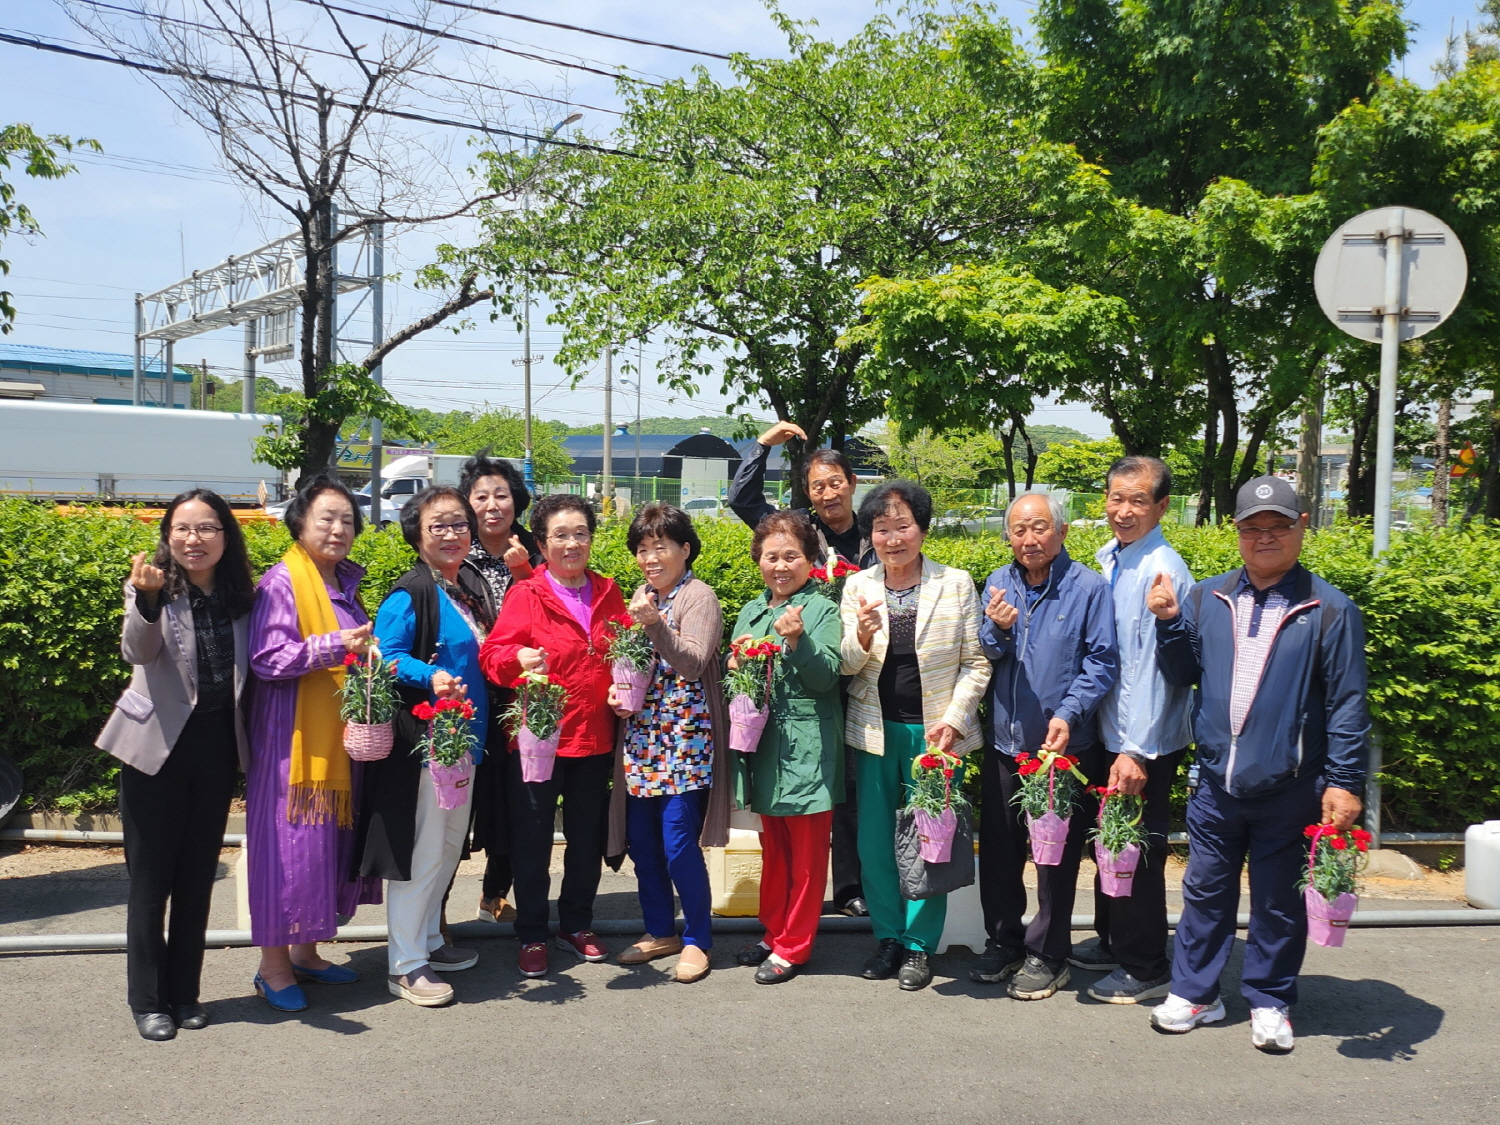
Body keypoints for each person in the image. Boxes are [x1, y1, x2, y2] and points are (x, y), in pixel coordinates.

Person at [1148, 475, 1369, 1053]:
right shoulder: (1209, 597)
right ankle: (1196, 993)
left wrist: (1345, 782)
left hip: (1291, 784)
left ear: (1301, 527)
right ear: (1237, 534)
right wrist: (1169, 622)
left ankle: (1270, 1000)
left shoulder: (1329, 607)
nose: (1264, 538)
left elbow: (1348, 703)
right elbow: (1182, 674)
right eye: (1252, 529)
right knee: (1204, 891)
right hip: (1216, 781)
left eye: (1277, 527)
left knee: (1277, 897)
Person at [97, 490, 256, 1041]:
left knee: (196, 880)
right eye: (183, 529)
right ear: (168, 535)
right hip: (154, 752)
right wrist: (145, 601)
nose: (194, 539)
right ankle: (148, 1002)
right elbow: (136, 652)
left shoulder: (243, 596)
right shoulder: (153, 588)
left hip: (216, 750)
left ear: (225, 536)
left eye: (207, 528)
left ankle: (185, 994)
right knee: (150, 881)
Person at [840, 481, 990, 991]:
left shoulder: (956, 583)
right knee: (876, 842)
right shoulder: (858, 586)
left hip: (935, 738)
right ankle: (887, 937)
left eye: (903, 525)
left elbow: (976, 661)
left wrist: (954, 718)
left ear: (921, 529)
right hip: (875, 731)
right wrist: (860, 636)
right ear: (871, 536)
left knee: (932, 841)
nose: (893, 537)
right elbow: (848, 663)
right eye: (882, 528)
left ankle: (919, 945)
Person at [245, 476, 383, 1013]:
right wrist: (332, 647)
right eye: (326, 517)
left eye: (347, 519)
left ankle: (306, 953)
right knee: (289, 854)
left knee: (323, 852)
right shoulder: (281, 583)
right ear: (299, 522)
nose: (338, 528)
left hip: (337, 743)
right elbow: (267, 659)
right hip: (290, 747)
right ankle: (272, 967)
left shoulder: (346, 583)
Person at [973, 491, 1118, 1000]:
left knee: (1054, 856)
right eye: (1018, 530)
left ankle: (1049, 954)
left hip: (1063, 750)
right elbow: (985, 651)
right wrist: (998, 628)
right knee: (1000, 850)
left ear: (1062, 531)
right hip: (1005, 742)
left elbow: (1102, 661)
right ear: (1008, 536)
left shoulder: (1089, 589)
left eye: (1039, 528)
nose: (1029, 539)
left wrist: (1069, 711)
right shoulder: (998, 582)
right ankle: (1005, 940)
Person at [728, 419, 873, 919]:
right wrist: (763, 446)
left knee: (851, 786)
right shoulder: (800, 536)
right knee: (807, 793)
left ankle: (850, 886)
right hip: (804, 675)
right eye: (817, 485)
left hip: (861, 672)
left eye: (836, 482)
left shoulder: (874, 538)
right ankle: (785, 915)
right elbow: (744, 503)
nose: (828, 492)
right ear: (807, 493)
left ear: (852, 484)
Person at [355, 486, 492, 1007]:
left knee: (450, 847)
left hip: (464, 741)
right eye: (439, 525)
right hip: (427, 743)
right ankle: (405, 964)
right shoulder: (410, 592)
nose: (453, 534)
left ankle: (430, 942)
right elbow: (383, 657)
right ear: (417, 534)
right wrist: (430, 674)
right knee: (425, 848)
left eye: (460, 524)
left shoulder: (466, 587)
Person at [479, 493, 626, 979]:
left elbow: (626, 653)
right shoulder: (527, 593)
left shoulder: (609, 591)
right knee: (533, 839)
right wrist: (516, 661)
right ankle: (533, 932)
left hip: (596, 737)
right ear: (541, 543)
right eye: (560, 535)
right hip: (539, 738)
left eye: (580, 533)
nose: (571, 543)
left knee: (586, 838)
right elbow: (493, 657)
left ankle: (577, 924)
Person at [1069, 456, 1195, 1004]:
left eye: (1138, 500)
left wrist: (1136, 752)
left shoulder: (1160, 568)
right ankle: (1114, 937)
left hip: (1139, 739)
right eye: (1115, 497)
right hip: (1110, 729)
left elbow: (1153, 671)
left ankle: (1145, 964)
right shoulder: (1112, 557)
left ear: (1162, 507)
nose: (1123, 510)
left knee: (1137, 849)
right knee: (1110, 844)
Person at [604, 503, 730, 984]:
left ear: (685, 549)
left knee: (679, 842)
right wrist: (617, 693)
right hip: (642, 739)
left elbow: (693, 663)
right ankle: (660, 930)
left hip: (686, 740)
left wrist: (654, 623)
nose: (650, 557)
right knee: (644, 843)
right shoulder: (642, 595)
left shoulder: (699, 597)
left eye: (660, 546)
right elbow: (631, 665)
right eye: (642, 549)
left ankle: (698, 937)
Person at [730, 510, 844, 984]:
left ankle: (794, 946)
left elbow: (826, 675)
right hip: (762, 746)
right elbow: (738, 675)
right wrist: (736, 661)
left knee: (808, 855)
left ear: (810, 560)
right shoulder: (752, 611)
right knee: (772, 848)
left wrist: (798, 640)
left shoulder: (823, 610)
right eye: (771, 556)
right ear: (759, 560)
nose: (780, 566)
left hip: (807, 749)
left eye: (791, 556)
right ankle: (774, 931)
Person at [459, 453, 543, 925]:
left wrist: (524, 573)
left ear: (517, 501)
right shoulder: (453, 549)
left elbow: (553, 605)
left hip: (521, 693)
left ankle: (494, 894)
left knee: (518, 796)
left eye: (502, 495)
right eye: (481, 496)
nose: (493, 505)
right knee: (459, 798)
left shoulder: (535, 549)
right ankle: (437, 916)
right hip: (468, 693)